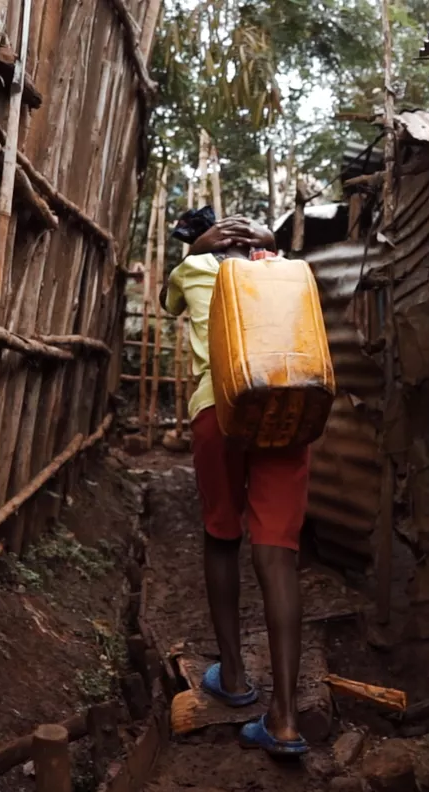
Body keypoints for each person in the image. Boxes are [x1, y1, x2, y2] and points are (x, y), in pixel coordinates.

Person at [161, 213, 310, 757]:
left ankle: (234, 678)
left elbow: (166, 303)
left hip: (218, 410)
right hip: (289, 409)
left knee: (222, 535)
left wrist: (195, 249)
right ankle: (287, 719)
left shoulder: (195, 267)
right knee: (278, 553)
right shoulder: (289, 271)